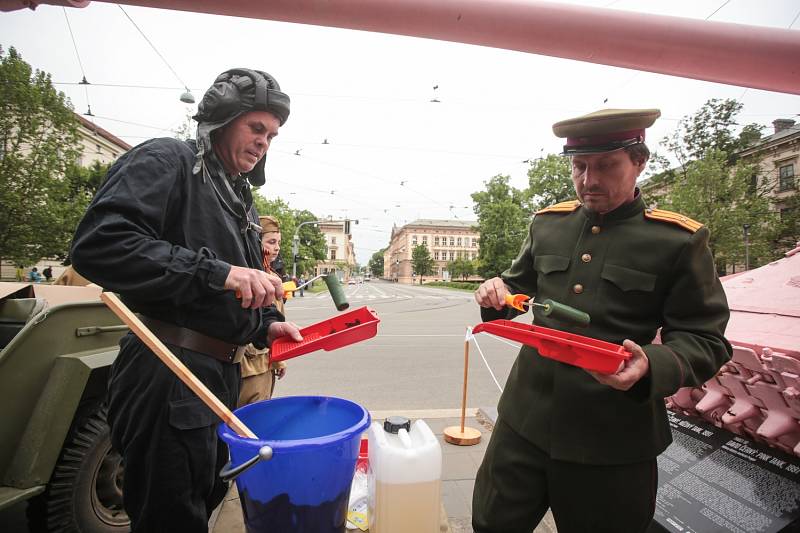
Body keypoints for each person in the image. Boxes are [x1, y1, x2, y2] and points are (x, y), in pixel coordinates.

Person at [471, 109, 732, 533]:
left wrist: (651, 363)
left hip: (612, 441)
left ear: (639, 161)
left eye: (606, 166)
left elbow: (706, 340)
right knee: (490, 525)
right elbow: (515, 295)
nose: (589, 180)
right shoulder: (548, 226)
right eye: (579, 166)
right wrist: (495, 293)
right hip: (524, 423)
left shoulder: (678, 241)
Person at [70, 68, 302, 532]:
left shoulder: (239, 197)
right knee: (169, 517)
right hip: (167, 367)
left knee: (204, 498)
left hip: (219, 375)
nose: (263, 143)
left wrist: (266, 324)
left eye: (272, 135)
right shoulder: (167, 160)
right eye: (255, 128)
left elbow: (235, 292)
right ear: (222, 118)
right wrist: (219, 273)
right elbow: (100, 244)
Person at [237, 215, 288, 407]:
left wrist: (279, 360)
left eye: (279, 243)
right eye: (271, 242)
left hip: (266, 362)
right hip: (247, 364)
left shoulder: (273, 276)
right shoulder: (245, 275)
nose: (276, 248)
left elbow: (275, 321)